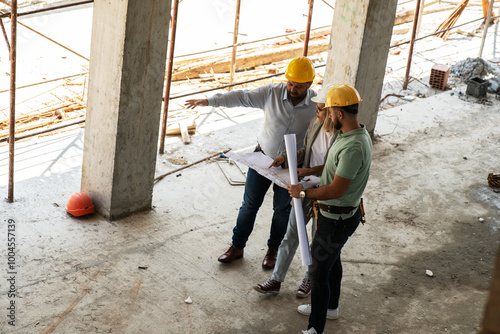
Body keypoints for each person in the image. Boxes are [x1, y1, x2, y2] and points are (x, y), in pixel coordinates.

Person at [185, 57, 318, 269]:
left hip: (291, 165)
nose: (292, 89)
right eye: (290, 84)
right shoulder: (271, 93)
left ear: (310, 84)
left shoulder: (316, 105)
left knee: (282, 210)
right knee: (249, 205)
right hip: (263, 157)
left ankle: (273, 250)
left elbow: (322, 135)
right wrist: (209, 101)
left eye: (299, 86)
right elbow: (241, 96)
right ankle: (237, 247)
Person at [286, 84, 372, 334]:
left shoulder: (353, 146)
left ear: (340, 114)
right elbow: (333, 168)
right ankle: (329, 308)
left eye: (329, 110)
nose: (326, 114)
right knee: (332, 263)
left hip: (336, 219)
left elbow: (336, 190)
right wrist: (311, 173)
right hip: (334, 216)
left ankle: (315, 327)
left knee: (317, 271)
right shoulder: (349, 136)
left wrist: (303, 193)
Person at [253, 84, 337, 297]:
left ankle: (310, 278)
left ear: (333, 112)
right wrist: (286, 157)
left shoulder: (342, 137)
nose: (315, 112)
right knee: (291, 234)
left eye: (319, 109)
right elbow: (304, 150)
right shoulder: (315, 125)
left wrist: (308, 170)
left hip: (324, 192)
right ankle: (276, 280)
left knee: (317, 240)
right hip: (304, 187)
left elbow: (335, 167)